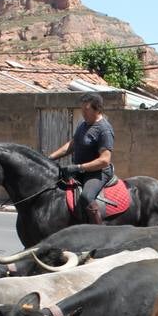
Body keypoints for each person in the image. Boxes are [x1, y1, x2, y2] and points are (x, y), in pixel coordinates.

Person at [49, 93, 116, 225]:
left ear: (97, 109)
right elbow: (72, 145)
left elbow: (104, 160)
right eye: (82, 109)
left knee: (86, 197)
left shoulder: (104, 130)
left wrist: (79, 167)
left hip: (98, 173)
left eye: (86, 109)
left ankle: (98, 233)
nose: (83, 113)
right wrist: (50, 157)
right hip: (80, 171)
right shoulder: (83, 124)